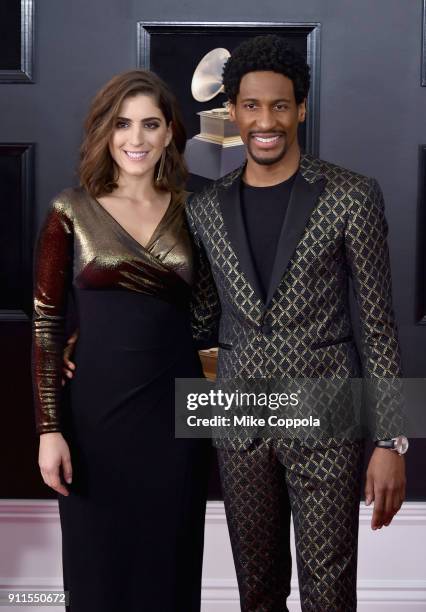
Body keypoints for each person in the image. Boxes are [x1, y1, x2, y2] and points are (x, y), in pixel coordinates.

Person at [185, 35, 407, 611]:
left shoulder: (352, 195)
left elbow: (378, 326)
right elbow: (200, 319)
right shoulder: (205, 207)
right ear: (232, 112)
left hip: (327, 412)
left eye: (280, 106)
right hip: (239, 416)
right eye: (252, 106)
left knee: (328, 594)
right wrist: (104, 334)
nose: (266, 120)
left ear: (300, 109)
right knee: (256, 594)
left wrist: (391, 440)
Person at [32, 69, 210, 612]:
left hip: (177, 416)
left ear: (170, 132)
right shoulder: (71, 209)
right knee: (96, 577)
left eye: (150, 125)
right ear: (105, 132)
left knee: (170, 572)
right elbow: (46, 324)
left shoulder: (196, 207)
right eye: (123, 124)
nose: (136, 139)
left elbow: (217, 312)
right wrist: (49, 430)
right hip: (93, 421)